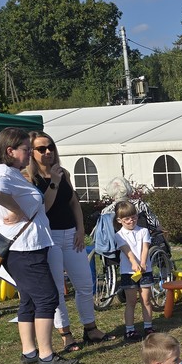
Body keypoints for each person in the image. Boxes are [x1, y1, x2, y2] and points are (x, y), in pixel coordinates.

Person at [0, 127, 77, 364]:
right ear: (10, 150)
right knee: (47, 297)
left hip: (28, 246)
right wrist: (17, 211)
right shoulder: (2, 171)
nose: (29, 154)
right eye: (26, 149)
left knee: (29, 298)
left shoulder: (10, 172)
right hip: (23, 248)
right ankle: (46, 355)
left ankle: (29, 351)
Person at [26, 131, 113, 351]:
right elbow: (43, 208)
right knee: (57, 289)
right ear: (31, 152)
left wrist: (80, 229)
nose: (48, 152)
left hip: (71, 234)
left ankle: (90, 328)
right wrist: (53, 182)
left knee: (85, 284)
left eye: (50, 147)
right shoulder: (28, 177)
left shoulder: (62, 172)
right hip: (49, 237)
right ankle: (66, 335)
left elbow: (73, 202)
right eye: (41, 149)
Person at [114, 200, 155, 342]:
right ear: (119, 220)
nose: (131, 221)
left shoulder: (143, 231)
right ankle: (130, 330)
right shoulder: (119, 235)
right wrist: (133, 262)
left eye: (134, 217)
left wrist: (143, 263)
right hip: (128, 272)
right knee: (131, 301)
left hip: (145, 271)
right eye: (127, 219)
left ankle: (148, 327)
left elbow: (145, 247)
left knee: (146, 300)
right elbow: (126, 250)